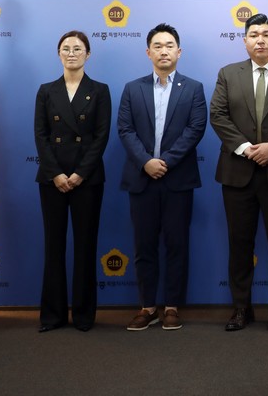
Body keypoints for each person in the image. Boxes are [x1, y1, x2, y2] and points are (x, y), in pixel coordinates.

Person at [210, 14, 268, 331]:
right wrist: (245, 147)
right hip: (238, 172)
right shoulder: (228, 73)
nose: (260, 40)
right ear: (245, 41)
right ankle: (241, 307)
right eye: (253, 34)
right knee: (239, 245)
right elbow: (218, 115)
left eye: (266, 34)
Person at [117, 23, 207, 331]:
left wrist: (164, 162)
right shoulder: (133, 88)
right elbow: (125, 129)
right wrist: (146, 162)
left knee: (176, 244)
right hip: (141, 179)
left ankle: (172, 306)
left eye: (169, 46)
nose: (164, 51)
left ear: (179, 52)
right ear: (148, 52)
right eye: (158, 46)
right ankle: (147, 307)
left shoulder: (193, 88)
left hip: (177, 179)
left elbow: (195, 129)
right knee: (144, 246)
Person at [34, 30, 111, 332]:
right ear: (58, 54)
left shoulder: (100, 90)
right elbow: (41, 135)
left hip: (87, 179)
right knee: (53, 247)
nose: (71, 53)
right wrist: (56, 173)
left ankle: (83, 315)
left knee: (85, 246)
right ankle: (52, 315)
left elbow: (101, 136)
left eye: (77, 49)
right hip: (51, 179)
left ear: (87, 54)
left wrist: (80, 174)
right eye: (65, 48)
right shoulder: (46, 91)